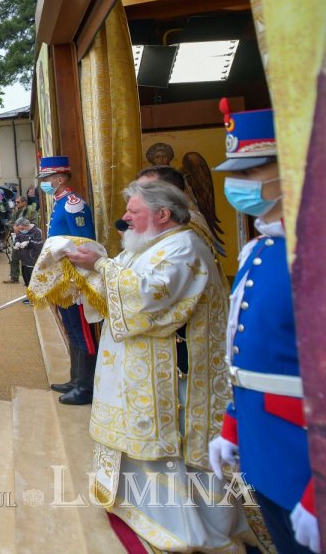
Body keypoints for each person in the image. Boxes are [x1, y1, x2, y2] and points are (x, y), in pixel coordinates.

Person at [63, 180, 253, 552]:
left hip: (177, 380)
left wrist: (99, 265)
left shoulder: (184, 247)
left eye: (133, 212)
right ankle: (145, 509)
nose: (125, 219)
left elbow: (148, 298)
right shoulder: (152, 243)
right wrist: (87, 269)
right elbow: (122, 284)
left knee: (175, 452)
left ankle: (186, 527)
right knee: (148, 448)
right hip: (146, 374)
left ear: (162, 214)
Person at [206, 106, 318, 554]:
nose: (241, 183)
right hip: (264, 444)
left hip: (306, 458)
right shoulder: (261, 248)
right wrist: (234, 427)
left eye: (253, 169)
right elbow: (251, 359)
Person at [37, 156, 98, 406]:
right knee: (71, 328)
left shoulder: (74, 204)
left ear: (59, 178)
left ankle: (85, 386)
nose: (45, 183)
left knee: (82, 331)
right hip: (62, 276)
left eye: (47, 179)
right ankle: (75, 379)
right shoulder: (61, 202)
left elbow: (85, 243)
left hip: (74, 277)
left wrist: (77, 275)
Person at [3, 196, 39, 285]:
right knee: (14, 258)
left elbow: (35, 224)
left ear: (24, 202)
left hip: (28, 239)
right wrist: (13, 227)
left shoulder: (31, 212)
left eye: (18, 202)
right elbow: (11, 223)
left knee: (29, 259)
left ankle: (31, 279)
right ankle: (14, 278)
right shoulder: (15, 212)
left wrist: (21, 227)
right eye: (16, 202)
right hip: (17, 238)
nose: (16, 203)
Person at [10, 217, 43, 287]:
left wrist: (28, 243)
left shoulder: (37, 231)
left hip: (33, 261)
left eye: (22, 229)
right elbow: (17, 238)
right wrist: (17, 243)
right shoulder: (20, 231)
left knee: (34, 284)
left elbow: (40, 244)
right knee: (27, 283)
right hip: (23, 261)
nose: (21, 231)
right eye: (19, 229)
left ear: (27, 225)